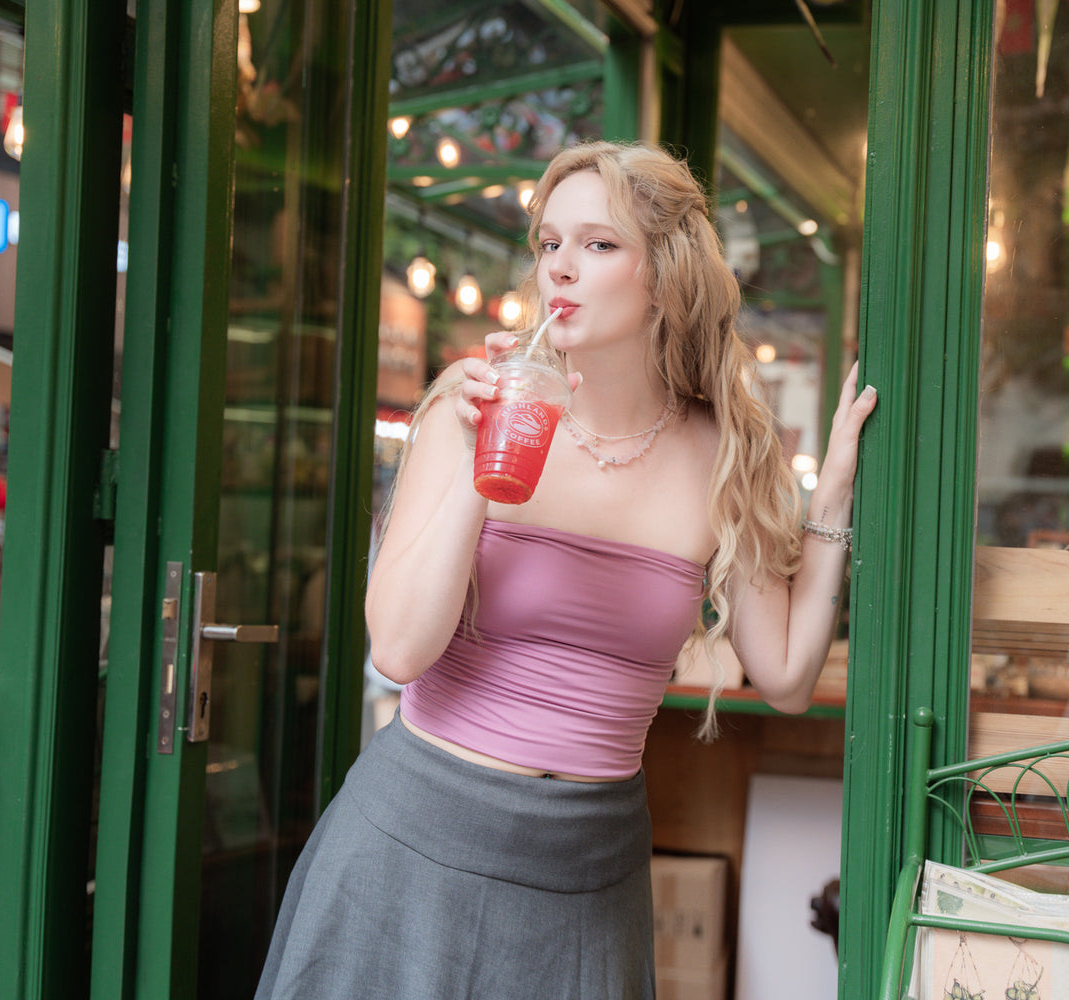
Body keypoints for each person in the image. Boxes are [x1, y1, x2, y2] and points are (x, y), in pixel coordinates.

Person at [255, 140, 877, 999]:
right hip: (413, 843)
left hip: (586, 871)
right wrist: (485, 464)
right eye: (550, 245)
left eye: (598, 244)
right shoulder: (465, 406)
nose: (561, 271)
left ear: (665, 273)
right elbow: (397, 652)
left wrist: (834, 498)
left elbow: (786, 678)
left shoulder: (722, 454)